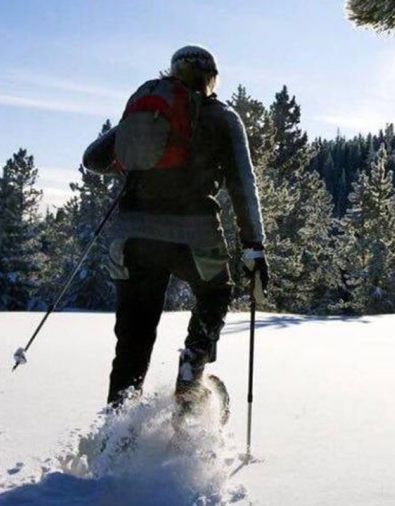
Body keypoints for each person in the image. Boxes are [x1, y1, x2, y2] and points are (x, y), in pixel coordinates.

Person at [91, 45, 269, 406]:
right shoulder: (222, 117)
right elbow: (243, 186)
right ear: (210, 79)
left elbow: (93, 159)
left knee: (133, 339)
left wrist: (132, 160)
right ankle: (191, 373)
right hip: (194, 236)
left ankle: (118, 431)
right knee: (216, 292)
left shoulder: (149, 112)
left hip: (133, 238)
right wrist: (254, 247)